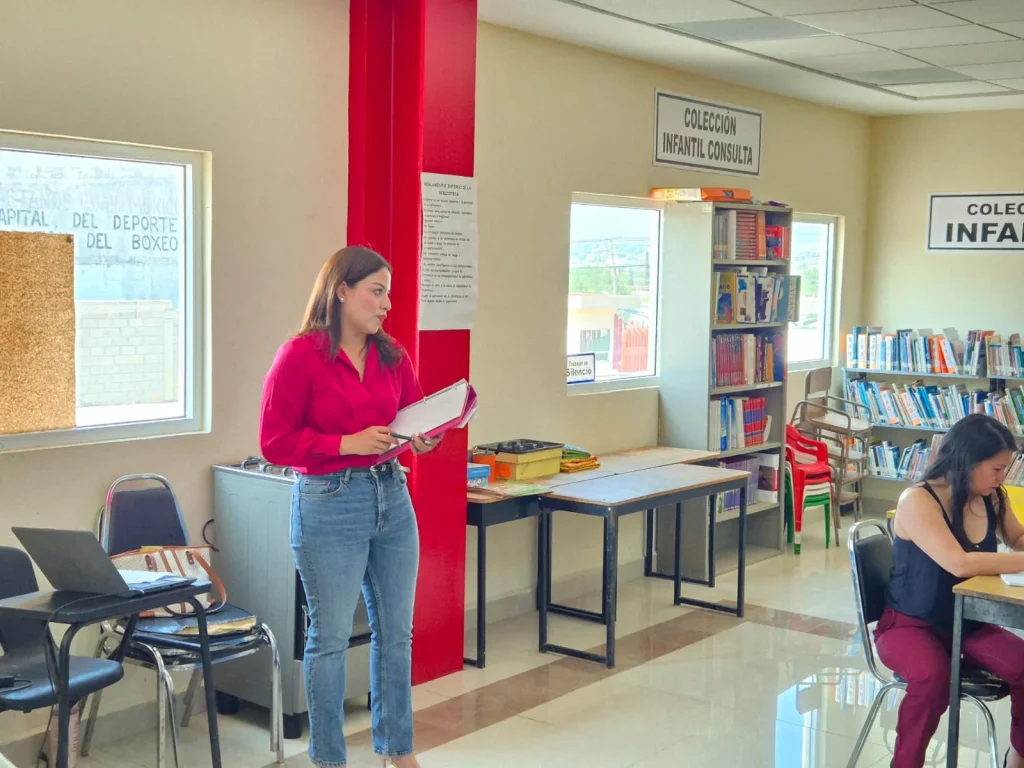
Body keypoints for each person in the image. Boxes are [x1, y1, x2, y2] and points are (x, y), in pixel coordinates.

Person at [259, 246, 437, 768]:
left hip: (392, 496)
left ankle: (398, 751)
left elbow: (413, 417)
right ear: (341, 291)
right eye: (376, 292)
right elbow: (274, 442)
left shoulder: (393, 355)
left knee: (397, 633)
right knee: (331, 638)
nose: (386, 304)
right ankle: (329, 759)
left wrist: (425, 438)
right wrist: (344, 444)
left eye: (388, 294)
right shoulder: (298, 356)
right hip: (329, 502)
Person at [877, 413, 1024, 768]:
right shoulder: (917, 500)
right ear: (968, 461)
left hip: (967, 624)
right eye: (997, 469)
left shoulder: (992, 497)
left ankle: (1018, 757)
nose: (1002, 478)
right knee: (932, 676)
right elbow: (959, 563)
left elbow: (1018, 537)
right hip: (910, 625)